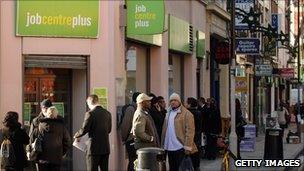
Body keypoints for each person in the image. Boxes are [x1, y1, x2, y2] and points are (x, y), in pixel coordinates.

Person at [74, 94, 112, 171]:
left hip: (93, 148)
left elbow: (84, 129)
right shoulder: (107, 113)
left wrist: (76, 135)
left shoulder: (90, 113)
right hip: (105, 148)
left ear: (89, 103)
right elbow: (109, 130)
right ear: (98, 101)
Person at [162, 93, 197, 171]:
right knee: (172, 168)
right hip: (169, 147)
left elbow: (190, 132)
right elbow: (165, 130)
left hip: (180, 147)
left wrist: (187, 147)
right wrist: (163, 144)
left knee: (181, 168)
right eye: (171, 100)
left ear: (179, 101)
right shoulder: (168, 113)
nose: (173, 102)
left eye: (175, 100)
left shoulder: (187, 114)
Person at [36, 107, 71, 171]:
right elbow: (68, 141)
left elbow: (33, 139)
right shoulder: (61, 126)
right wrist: (63, 152)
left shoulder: (40, 125)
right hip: (56, 157)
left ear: (47, 114)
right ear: (56, 115)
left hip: (42, 157)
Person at [119, 92, 140, 171]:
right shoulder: (131, 109)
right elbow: (126, 125)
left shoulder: (138, 109)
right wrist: (124, 138)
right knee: (133, 161)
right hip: (131, 140)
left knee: (136, 162)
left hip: (136, 140)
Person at [186, 97, 202, 171]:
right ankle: (196, 166)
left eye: (187, 103)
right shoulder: (198, 112)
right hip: (197, 135)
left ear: (189, 104)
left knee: (189, 152)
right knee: (196, 152)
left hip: (189, 135)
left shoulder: (187, 113)